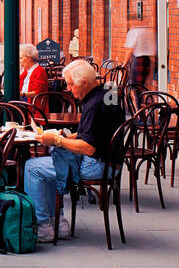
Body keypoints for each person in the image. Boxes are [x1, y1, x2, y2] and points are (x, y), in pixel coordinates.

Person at [23, 58, 123, 243]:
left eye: (70, 84)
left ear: (84, 82)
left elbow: (88, 147)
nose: (68, 89)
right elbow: (97, 132)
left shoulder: (94, 105)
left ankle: (44, 226)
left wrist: (58, 140)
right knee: (55, 159)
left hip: (97, 165)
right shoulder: (108, 92)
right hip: (111, 161)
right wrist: (68, 137)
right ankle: (59, 224)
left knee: (32, 167)